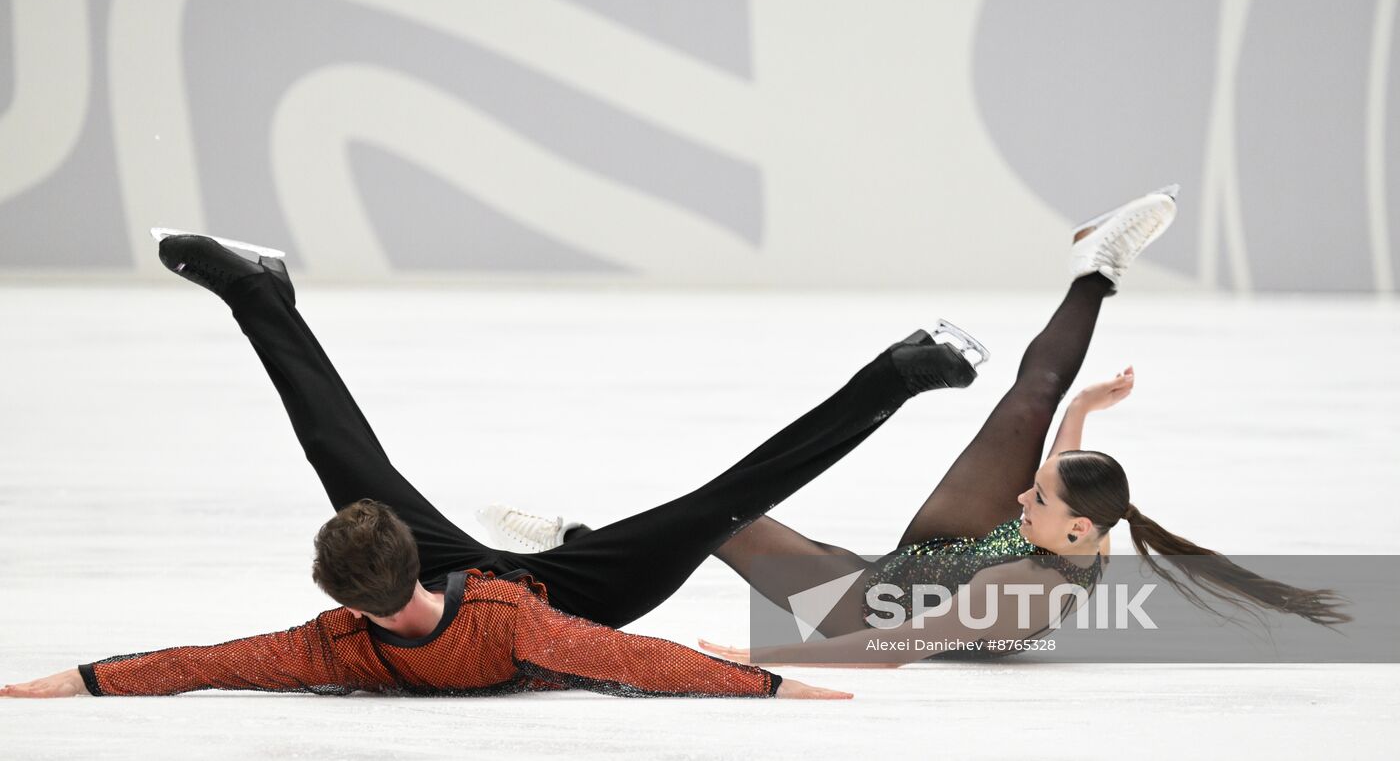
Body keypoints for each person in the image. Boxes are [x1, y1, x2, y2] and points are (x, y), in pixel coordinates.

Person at [0, 223, 989, 699]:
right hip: (559, 592)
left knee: (722, 501)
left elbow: (647, 659)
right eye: (377, 610)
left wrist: (786, 691)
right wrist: (60, 685)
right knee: (340, 447)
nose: (389, 618)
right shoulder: (345, 639)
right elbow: (195, 663)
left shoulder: (449, 626)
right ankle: (258, 289)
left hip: (543, 596)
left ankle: (902, 368)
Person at [480, 186, 1351, 665]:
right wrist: (1081, 413)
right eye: (1041, 485)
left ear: (1073, 529)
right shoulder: (1080, 525)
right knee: (1033, 397)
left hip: (871, 605)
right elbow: (1059, 473)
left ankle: (567, 558)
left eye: (1039, 495)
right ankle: (1099, 267)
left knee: (720, 522)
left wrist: (750, 657)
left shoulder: (1028, 590)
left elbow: (892, 642)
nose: (1025, 487)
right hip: (947, 560)